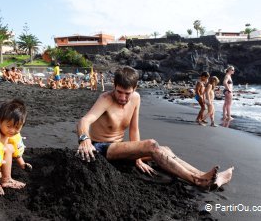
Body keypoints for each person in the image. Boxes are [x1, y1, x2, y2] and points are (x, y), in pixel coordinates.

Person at [76, 66, 233, 189]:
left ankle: (204, 175)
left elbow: (134, 129)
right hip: (100, 148)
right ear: (114, 86)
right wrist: (84, 139)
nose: (123, 97)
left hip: (118, 147)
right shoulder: (105, 99)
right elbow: (85, 120)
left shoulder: (136, 99)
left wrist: (137, 156)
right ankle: (198, 181)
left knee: (164, 149)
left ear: (135, 88)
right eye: (119, 92)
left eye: (127, 93)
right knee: (151, 145)